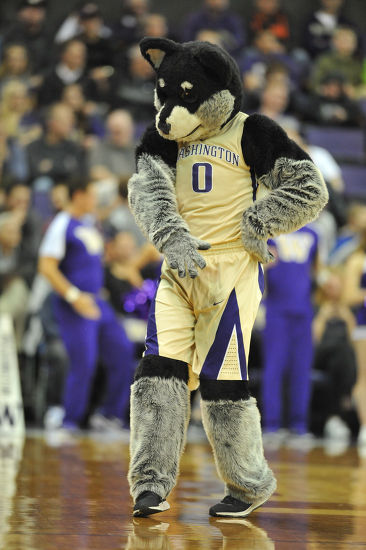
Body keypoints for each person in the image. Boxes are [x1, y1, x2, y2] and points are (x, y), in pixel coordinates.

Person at [38, 179, 135, 433]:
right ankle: (69, 420)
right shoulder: (61, 224)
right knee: (84, 362)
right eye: (92, 195)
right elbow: (46, 266)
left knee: (122, 351)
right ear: (78, 195)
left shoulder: (90, 223)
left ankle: (109, 415)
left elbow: (97, 256)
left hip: (98, 300)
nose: (95, 201)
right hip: (74, 303)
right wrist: (73, 296)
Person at [261, 225, 320, 445]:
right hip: (277, 310)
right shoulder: (270, 231)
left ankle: (299, 426)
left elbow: (315, 270)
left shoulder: (314, 234)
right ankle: (272, 425)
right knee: (274, 368)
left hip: (304, 311)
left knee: (302, 369)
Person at [313, 270, 356, 440]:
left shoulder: (348, 310)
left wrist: (346, 316)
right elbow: (313, 340)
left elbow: (355, 340)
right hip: (320, 354)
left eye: (338, 287)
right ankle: (345, 401)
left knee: (342, 355)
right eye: (331, 287)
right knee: (340, 352)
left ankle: (334, 417)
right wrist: (323, 315)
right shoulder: (317, 307)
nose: (334, 291)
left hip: (340, 359)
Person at [342, 236, 366, 447]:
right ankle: (365, 428)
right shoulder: (358, 259)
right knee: (364, 377)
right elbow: (349, 295)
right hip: (364, 325)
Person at [26, 103, 85, 186]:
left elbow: (78, 174)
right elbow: (35, 173)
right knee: (42, 183)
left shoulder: (74, 147)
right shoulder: (34, 147)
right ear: (51, 123)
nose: (71, 124)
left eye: (71, 120)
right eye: (66, 120)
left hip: (67, 190)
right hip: (42, 190)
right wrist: (64, 166)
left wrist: (51, 165)